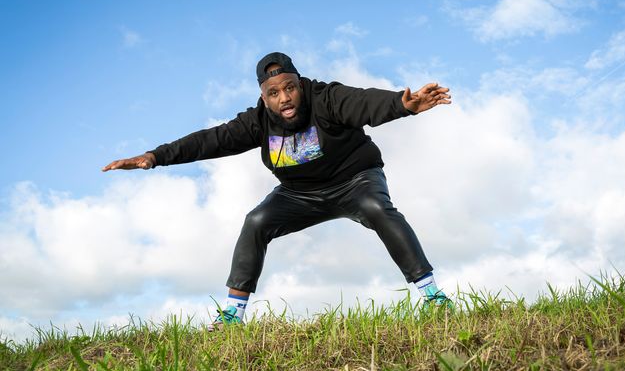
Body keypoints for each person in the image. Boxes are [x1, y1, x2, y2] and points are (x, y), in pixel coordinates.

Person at [102, 52, 452, 329]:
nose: (284, 98)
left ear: (300, 84)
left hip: (355, 180)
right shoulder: (257, 121)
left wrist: (402, 106)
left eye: (290, 87)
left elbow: (362, 102)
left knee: (378, 209)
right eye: (274, 93)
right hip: (299, 194)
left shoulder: (325, 98)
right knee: (256, 221)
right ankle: (231, 317)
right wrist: (154, 156)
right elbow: (210, 141)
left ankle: (433, 297)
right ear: (264, 97)